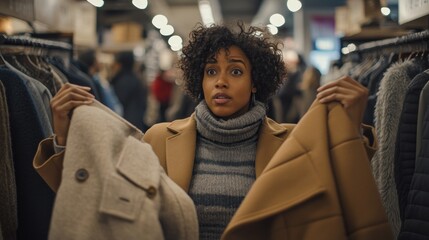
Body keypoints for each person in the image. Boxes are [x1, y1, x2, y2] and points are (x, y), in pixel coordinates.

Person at [37, 22, 374, 239]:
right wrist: (67, 138)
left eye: (236, 72)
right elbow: (91, 195)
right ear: (200, 78)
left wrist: (352, 128)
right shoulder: (159, 138)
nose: (221, 81)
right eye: (211, 71)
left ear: (256, 81)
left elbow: (345, 192)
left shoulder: (292, 142)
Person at [110, 51, 148, 131]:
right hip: (136, 122)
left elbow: (118, 104)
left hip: (125, 124)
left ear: (120, 64)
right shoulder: (136, 79)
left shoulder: (122, 81)